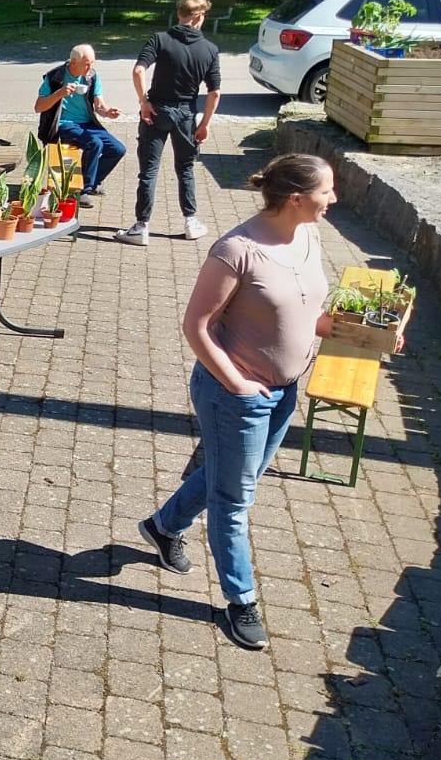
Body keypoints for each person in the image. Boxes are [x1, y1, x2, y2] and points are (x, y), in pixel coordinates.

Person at [137, 155, 340, 651]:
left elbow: (311, 312)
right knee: (234, 499)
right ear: (296, 198)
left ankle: (163, 527)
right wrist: (236, 383)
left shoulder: (309, 236)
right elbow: (196, 327)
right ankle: (241, 600)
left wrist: (361, 332)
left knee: (231, 476)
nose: (333, 200)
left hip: (285, 389)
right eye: (326, 192)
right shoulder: (236, 250)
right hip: (237, 395)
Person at [116, 0, 222, 246]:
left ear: (180, 15)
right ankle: (190, 222)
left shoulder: (159, 39)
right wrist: (204, 124)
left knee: (148, 171)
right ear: (198, 17)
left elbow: (138, 70)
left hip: (156, 112)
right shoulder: (209, 49)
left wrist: (144, 102)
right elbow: (214, 92)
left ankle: (141, 226)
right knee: (185, 169)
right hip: (186, 114)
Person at [33, 44, 125, 206]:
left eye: (92, 63)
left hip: (87, 124)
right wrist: (60, 93)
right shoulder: (55, 77)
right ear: (74, 62)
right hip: (61, 125)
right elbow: (39, 107)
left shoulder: (92, 76)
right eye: (87, 64)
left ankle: (92, 181)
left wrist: (109, 112)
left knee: (117, 149)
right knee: (94, 143)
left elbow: (99, 106)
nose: (90, 67)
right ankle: (83, 190)